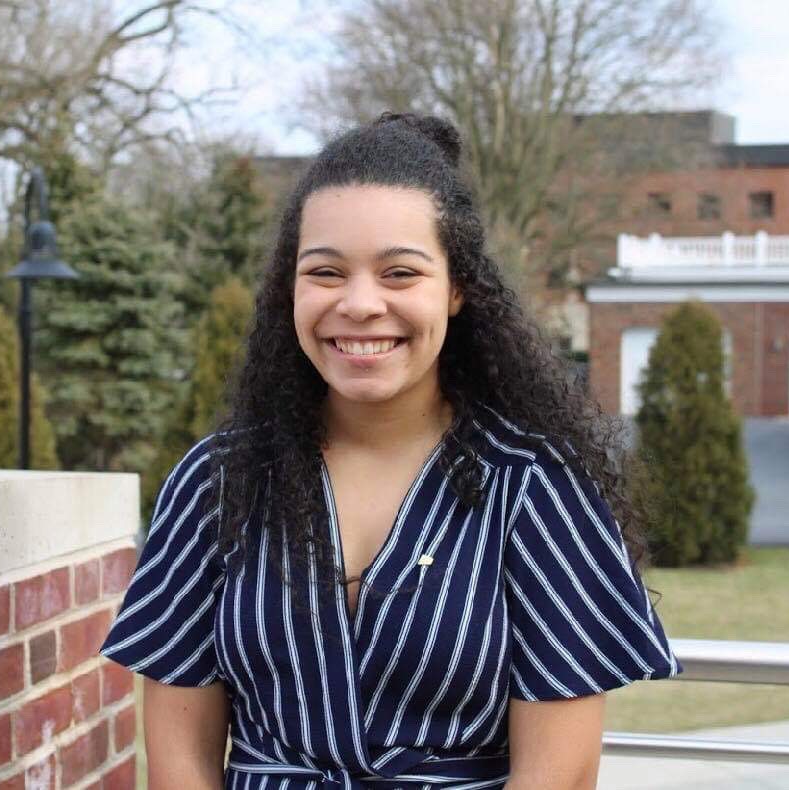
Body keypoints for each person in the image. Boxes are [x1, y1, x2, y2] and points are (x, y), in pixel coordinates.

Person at [99, 112, 683, 789]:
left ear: (457, 289)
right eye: (324, 272)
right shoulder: (217, 482)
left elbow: (560, 774)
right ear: (290, 288)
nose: (359, 304)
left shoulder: (534, 486)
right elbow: (178, 757)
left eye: (399, 273)